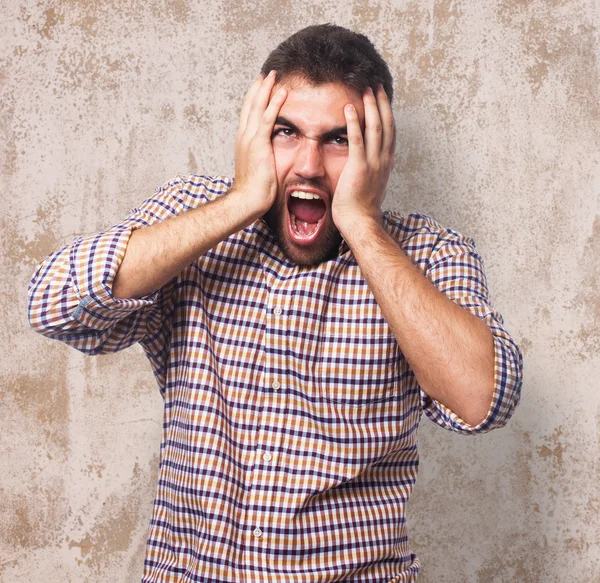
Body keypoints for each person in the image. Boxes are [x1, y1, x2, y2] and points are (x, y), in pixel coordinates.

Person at [27, 23, 523, 583]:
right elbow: (52, 304)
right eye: (287, 132)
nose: (309, 165)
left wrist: (360, 224)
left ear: (379, 150)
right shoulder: (193, 218)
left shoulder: (428, 253)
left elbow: (485, 400)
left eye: (340, 138)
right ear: (255, 132)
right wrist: (240, 201)